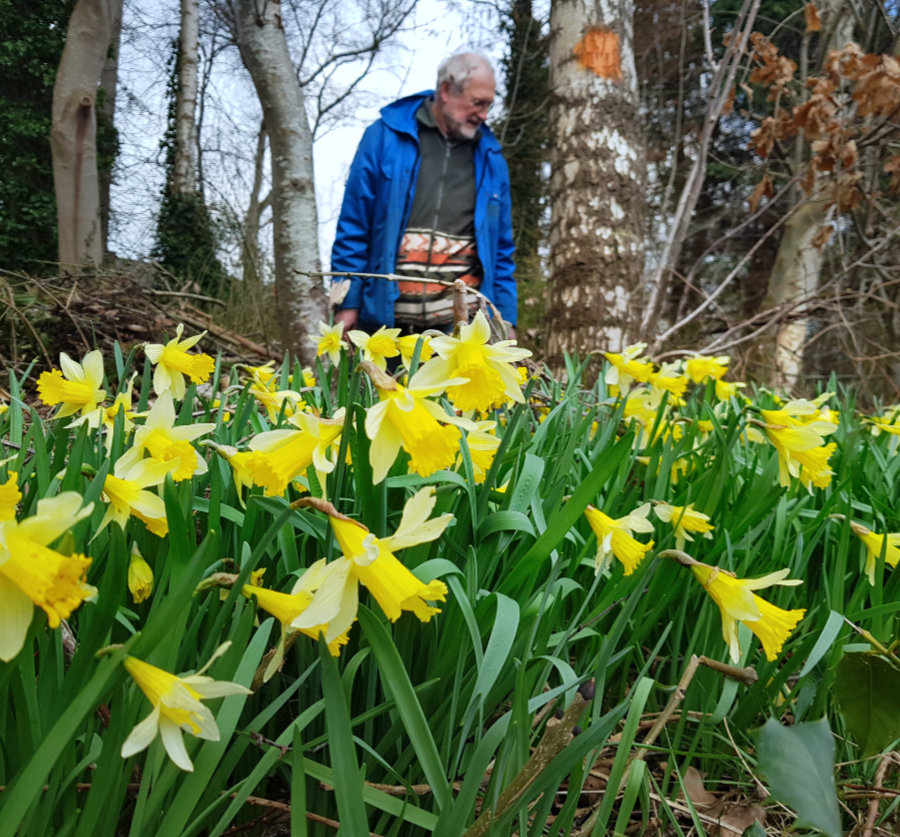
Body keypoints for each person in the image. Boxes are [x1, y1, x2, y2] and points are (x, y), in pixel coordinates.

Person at [331, 52, 517, 337]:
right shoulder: (384, 138)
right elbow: (354, 225)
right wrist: (346, 301)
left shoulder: (492, 159)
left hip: (460, 328)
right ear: (446, 90)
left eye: (489, 105)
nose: (484, 115)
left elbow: (502, 249)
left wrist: (505, 320)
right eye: (477, 103)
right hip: (384, 323)